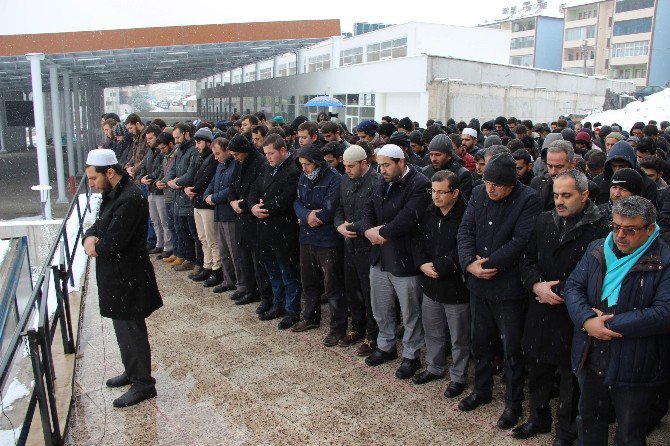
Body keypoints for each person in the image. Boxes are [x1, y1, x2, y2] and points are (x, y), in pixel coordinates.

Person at [565, 196, 670, 446]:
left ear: (649, 228)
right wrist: (587, 319)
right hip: (591, 354)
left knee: (630, 431)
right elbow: (573, 287)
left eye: (630, 230)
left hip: (635, 361)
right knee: (589, 419)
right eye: (616, 226)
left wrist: (608, 325)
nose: (621, 235)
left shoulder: (664, 262)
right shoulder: (598, 248)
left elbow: (664, 312)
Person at [513, 169, 609, 444]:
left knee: (571, 380)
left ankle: (566, 433)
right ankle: (538, 418)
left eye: (566, 195)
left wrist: (561, 292)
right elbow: (527, 259)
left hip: (574, 317)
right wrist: (535, 285)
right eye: (556, 195)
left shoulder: (601, 229)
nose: (559, 201)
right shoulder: (543, 222)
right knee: (538, 371)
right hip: (540, 309)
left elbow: (597, 276)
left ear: (585, 194)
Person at [457, 152, 542, 429]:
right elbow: (466, 229)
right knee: (479, 343)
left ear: (512, 184)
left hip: (509, 289)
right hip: (478, 284)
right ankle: (481, 391)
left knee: (512, 351)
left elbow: (520, 242)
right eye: (487, 181)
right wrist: (470, 263)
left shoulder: (528, 199)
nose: (490, 188)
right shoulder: (480, 192)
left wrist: (487, 264)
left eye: (497, 185)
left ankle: (513, 405)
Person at [83, 149, 162, 408]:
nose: (92, 184)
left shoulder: (130, 198)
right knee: (122, 330)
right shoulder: (113, 193)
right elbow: (99, 224)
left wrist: (95, 246)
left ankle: (144, 383)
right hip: (116, 276)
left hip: (128, 276)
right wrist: (90, 236)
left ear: (110, 172)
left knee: (132, 330)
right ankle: (132, 371)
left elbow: (114, 242)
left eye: (94, 178)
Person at [359, 144, 431, 379]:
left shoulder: (419, 183)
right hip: (380, 254)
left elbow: (409, 218)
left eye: (386, 165)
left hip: (404, 257)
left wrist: (382, 232)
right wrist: (369, 229)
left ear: (401, 162)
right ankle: (386, 346)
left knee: (410, 311)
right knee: (381, 306)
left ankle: (411, 355)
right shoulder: (382, 180)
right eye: (379, 165)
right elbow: (368, 207)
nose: (382, 171)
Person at [413, 170, 471, 399]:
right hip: (430, 283)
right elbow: (417, 239)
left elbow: (464, 248)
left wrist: (439, 265)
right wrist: (421, 264)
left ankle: (458, 376)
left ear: (455, 193)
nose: (435, 197)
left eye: (441, 192)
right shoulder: (428, 212)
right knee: (433, 331)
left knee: (459, 337)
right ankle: (435, 367)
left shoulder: (467, 215)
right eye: (433, 191)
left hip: (455, 285)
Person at [291, 144, 346, 345]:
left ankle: (337, 328)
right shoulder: (304, 177)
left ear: (316, 163)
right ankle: (311, 317)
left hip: (327, 239)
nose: (304, 169)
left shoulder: (334, 179)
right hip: (307, 236)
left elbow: (331, 207)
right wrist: (307, 216)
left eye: (307, 165)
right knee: (309, 281)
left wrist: (315, 217)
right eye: (301, 165)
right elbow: (296, 202)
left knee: (332, 285)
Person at [248, 133, 302, 329]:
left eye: (271, 153)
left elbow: (287, 198)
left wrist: (265, 208)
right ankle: (278, 304)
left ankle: (292, 310)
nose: (268, 157)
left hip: (283, 228)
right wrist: (253, 206)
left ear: (282, 150)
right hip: (265, 228)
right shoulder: (266, 167)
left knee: (288, 273)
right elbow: (254, 189)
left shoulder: (293, 170)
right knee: (272, 271)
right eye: (265, 153)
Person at [334, 145, 380, 356]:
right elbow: (339, 208)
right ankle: (357, 327)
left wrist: (351, 227)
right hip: (348, 244)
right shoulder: (344, 180)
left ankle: (373, 335)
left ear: (364, 164)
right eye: (345, 166)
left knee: (369, 292)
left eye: (351, 166)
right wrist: (339, 226)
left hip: (367, 246)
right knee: (352, 289)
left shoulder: (376, 183)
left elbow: (374, 216)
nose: (347, 170)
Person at [228, 134, 274, 310]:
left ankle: (264, 295)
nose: (235, 158)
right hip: (241, 214)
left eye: (237, 154)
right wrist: (233, 201)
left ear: (244, 151)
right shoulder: (239, 163)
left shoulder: (260, 162)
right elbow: (232, 185)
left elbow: (257, 189)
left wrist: (243, 204)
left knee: (258, 260)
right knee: (244, 256)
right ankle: (249, 289)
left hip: (253, 218)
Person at [205, 137, 242, 293]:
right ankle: (229, 280)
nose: (216, 157)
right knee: (224, 251)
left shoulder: (235, 166)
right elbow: (213, 183)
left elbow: (232, 189)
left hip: (230, 214)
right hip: (219, 213)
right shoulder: (220, 165)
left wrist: (213, 198)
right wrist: (207, 195)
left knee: (235, 253)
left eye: (218, 153)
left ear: (228, 151)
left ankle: (241, 284)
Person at [185, 127, 221, 285]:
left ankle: (216, 268)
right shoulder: (200, 157)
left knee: (211, 239)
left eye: (199, 142)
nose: (197, 145)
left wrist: (193, 189)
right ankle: (207, 265)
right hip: (198, 202)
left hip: (205, 203)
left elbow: (205, 180)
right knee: (203, 238)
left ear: (207, 142)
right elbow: (195, 176)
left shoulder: (212, 158)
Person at [164, 123, 200, 272]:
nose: (176, 140)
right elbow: (170, 170)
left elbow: (191, 173)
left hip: (187, 198)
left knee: (192, 232)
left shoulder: (193, 151)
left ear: (186, 134)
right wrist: (171, 181)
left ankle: (194, 259)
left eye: (178, 137)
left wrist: (176, 182)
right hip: (178, 196)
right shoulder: (179, 151)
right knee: (180, 229)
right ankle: (185, 256)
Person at [421, 134, 473, 201]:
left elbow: (461, 204)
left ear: (449, 155)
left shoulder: (463, 174)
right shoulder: (425, 171)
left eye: (437, 155)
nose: (433, 159)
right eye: (431, 155)